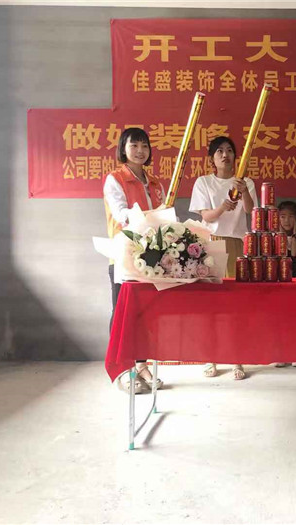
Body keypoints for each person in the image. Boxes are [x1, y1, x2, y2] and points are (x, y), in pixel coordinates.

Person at [189, 136, 258, 380]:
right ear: (212, 158)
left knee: (235, 304)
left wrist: (244, 191)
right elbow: (206, 216)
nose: (225, 155)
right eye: (219, 151)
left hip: (237, 243)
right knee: (211, 304)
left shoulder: (245, 181)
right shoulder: (204, 182)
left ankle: (237, 358)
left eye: (229, 150)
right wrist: (223, 206)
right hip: (210, 245)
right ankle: (211, 357)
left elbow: (251, 211)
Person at [103, 127, 166, 394]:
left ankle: (141, 365)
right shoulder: (115, 179)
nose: (140, 151)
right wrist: (152, 218)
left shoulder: (155, 183)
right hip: (124, 254)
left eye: (144, 146)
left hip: (151, 256)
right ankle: (122, 370)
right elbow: (121, 215)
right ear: (123, 149)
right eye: (134, 145)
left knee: (145, 314)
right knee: (122, 312)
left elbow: (165, 214)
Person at [273, 200, 296, 368]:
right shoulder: (272, 237)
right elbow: (280, 253)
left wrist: (294, 233)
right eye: (282, 217)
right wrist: (280, 233)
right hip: (279, 280)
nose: (286, 221)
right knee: (279, 317)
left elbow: (294, 254)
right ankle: (281, 353)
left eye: (291, 217)